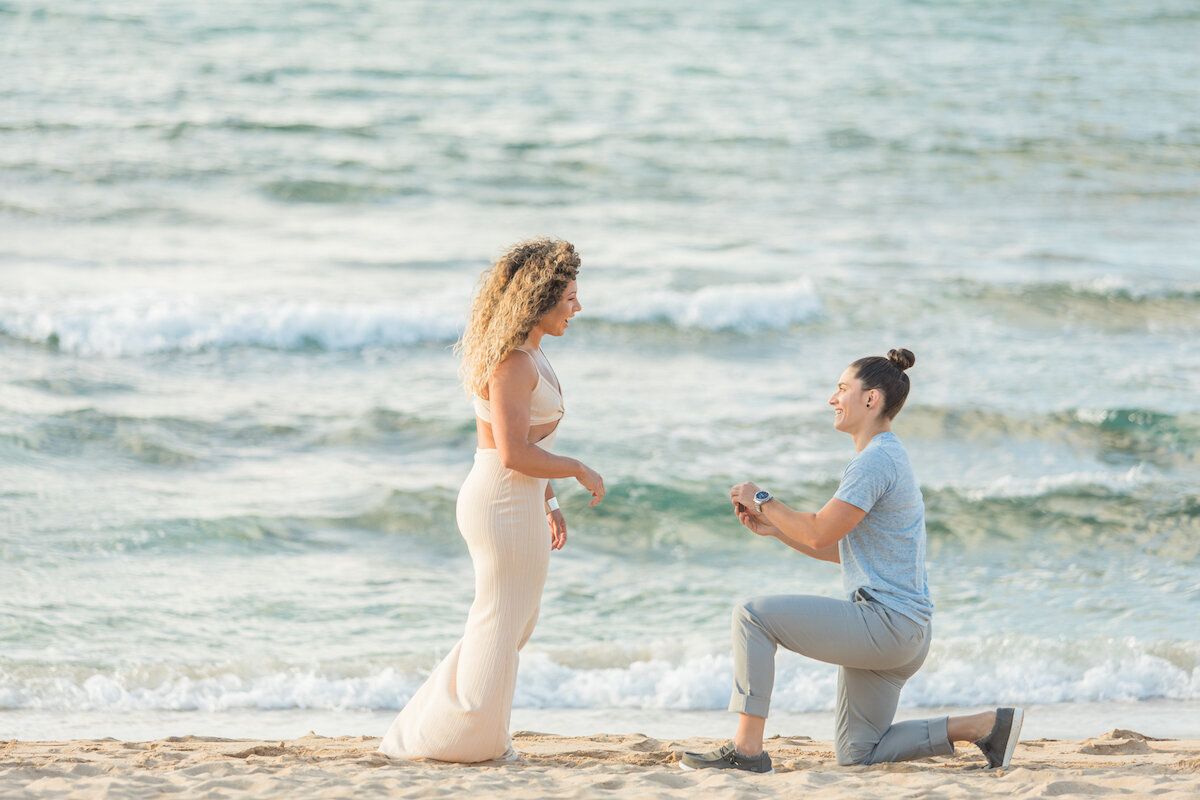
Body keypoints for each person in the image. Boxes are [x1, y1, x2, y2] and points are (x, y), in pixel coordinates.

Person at [680, 349, 1022, 774]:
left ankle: (747, 752)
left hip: (887, 625)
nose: (832, 398)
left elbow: (820, 529)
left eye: (842, 388)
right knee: (858, 754)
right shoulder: (887, 456)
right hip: (902, 633)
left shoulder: (876, 459)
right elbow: (840, 549)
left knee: (752, 617)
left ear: (870, 399)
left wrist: (762, 498)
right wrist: (777, 530)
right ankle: (986, 725)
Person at [379, 238, 605, 763]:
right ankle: (464, 742)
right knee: (500, 620)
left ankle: (457, 729)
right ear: (542, 300)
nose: (578, 308)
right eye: (570, 298)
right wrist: (577, 469)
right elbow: (511, 453)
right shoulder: (512, 364)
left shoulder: (532, 354)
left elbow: (531, 446)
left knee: (513, 620)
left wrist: (549, 502)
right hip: (499, 501)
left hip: (519, 499)